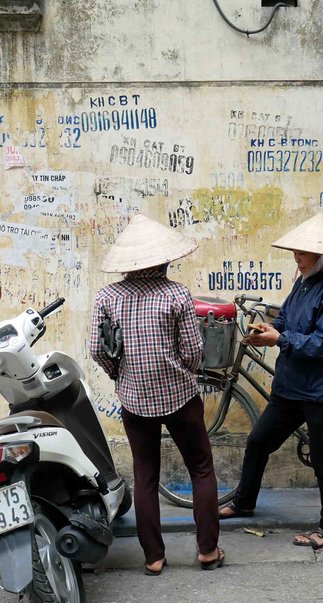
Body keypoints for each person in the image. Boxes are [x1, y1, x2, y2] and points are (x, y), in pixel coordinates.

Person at [90, 214, 223, 575]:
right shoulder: (177, 294)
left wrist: (122, 374)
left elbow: (97, 349)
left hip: (134, 399)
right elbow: (194, 350)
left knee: (145, 475)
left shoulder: (108, 297)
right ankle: (208, 551)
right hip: (180, 396)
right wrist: (182, 371)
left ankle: (153, 557)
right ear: (164, 260)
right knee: (201, 468)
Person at [218, 213, 323, 550]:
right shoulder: (305, 280)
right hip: (292, 385)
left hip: (321, 389)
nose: (297, 257)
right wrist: (265, 331)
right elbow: (283, 318)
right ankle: (244, 501)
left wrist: (279, 339)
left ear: (322, 255)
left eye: (303, 252)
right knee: (258, 442)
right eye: (296, 251)